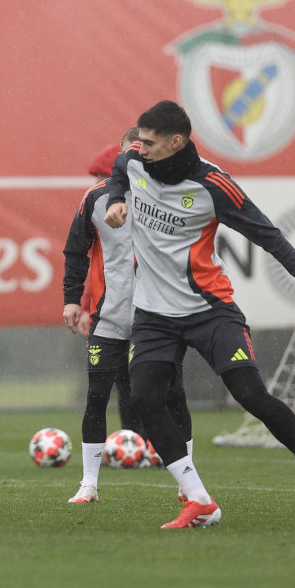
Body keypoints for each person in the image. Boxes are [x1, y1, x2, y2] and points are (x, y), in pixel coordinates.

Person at [104, 99, 295, 528]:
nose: (138, 147)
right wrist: (116, 200)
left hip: (209, 311)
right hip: (153, 314)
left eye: (148, 142)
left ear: (176, 141)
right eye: (137, 141)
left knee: (252, 397)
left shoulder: (214, 185)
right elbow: (119, 168)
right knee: (145, 397)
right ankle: (199, 499)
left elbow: (270, 237)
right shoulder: (133, 160)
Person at [62, 127, 192, 504]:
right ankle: (89, 484)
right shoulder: (97, 198)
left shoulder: (171, 193)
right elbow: (76, 251)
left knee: (175, 395)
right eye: (128, 154)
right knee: (97, 396)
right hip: (110, 316)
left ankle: (189, 485)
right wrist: (73, 300)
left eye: (141, 152)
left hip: (161, 316)